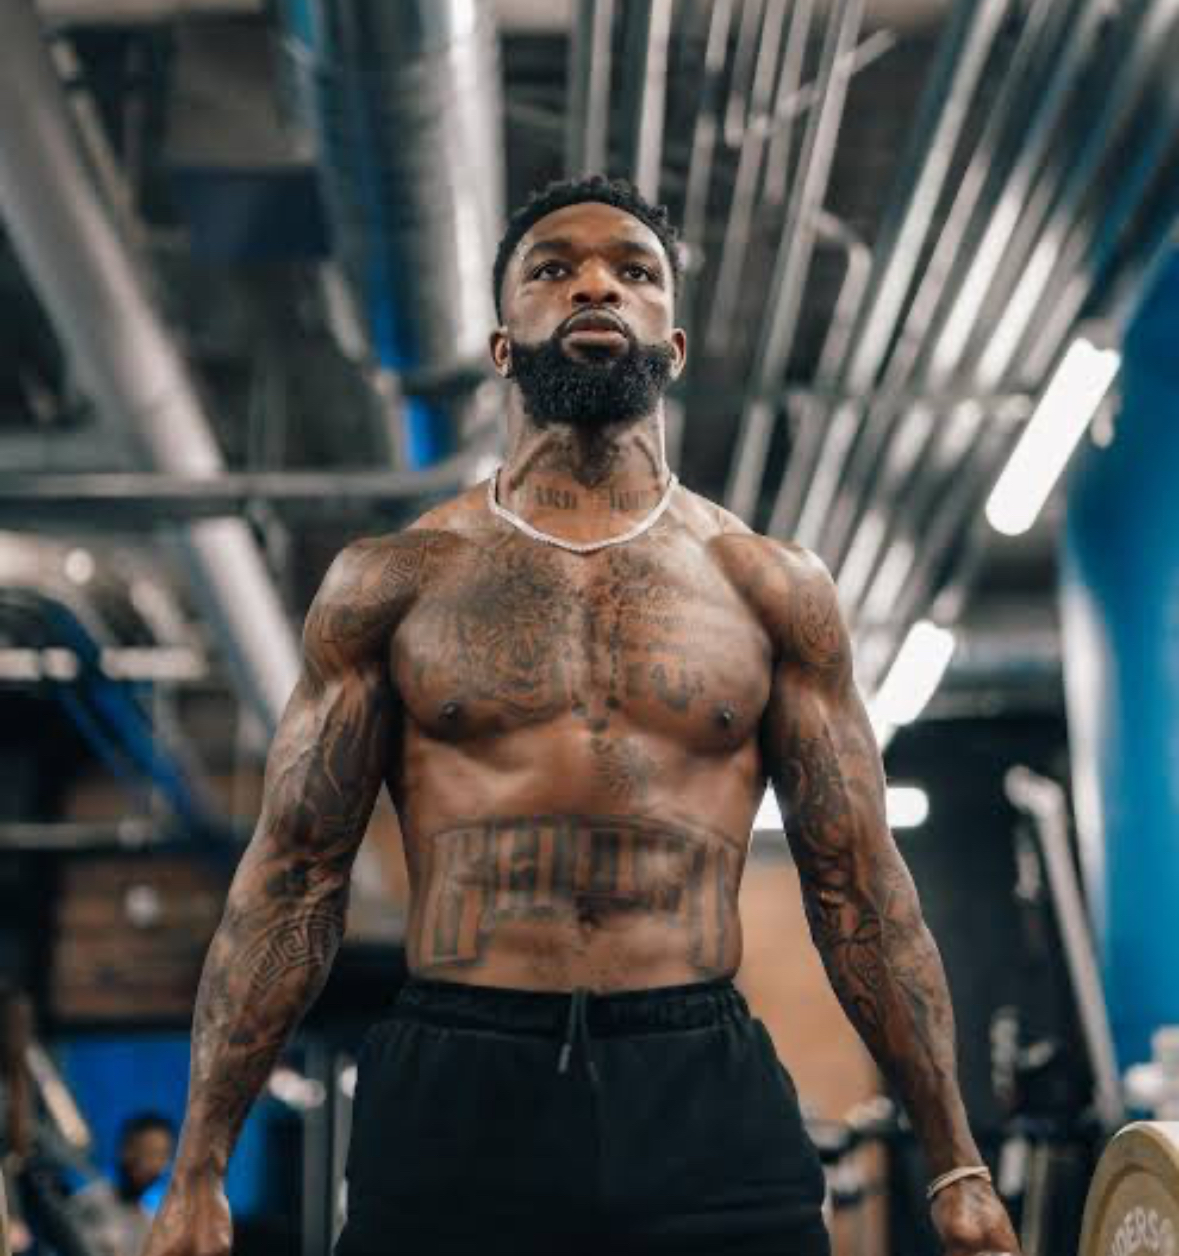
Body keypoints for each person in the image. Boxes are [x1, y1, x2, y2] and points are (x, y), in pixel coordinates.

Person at [144, 175, 1020, 1256]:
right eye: (553, 269)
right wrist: (198, 1167)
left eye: (633, 271)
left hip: (696, 1078)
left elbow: (859, 883)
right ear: (502, 344)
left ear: (674, 344)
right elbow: (292, 876)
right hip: (460, 1080)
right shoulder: (394, 579)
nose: (595, 285)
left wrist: (955, 1160)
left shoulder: (769, 586)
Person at [70, 1112, 175, 1256]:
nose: (151, 1164)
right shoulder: (87, 1203)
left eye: (160, 1156)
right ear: (124, 1149)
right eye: (145, 1151)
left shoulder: (149, 1224)